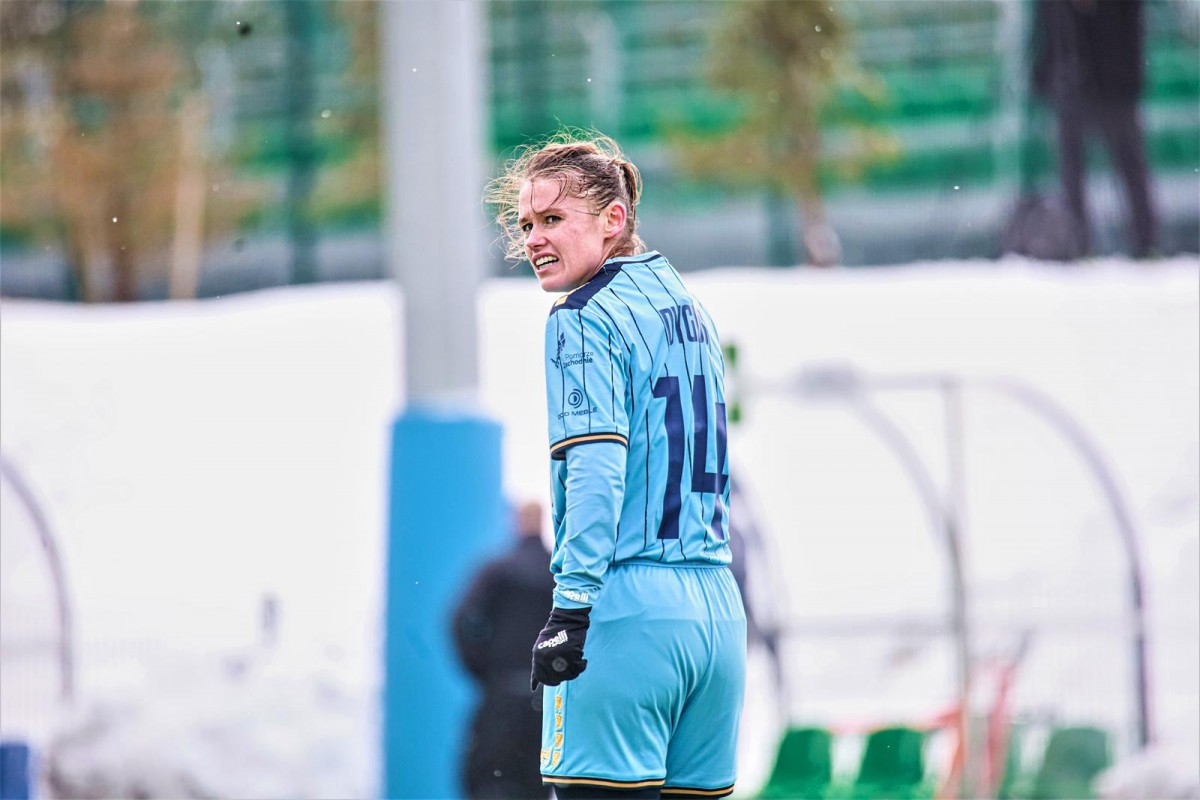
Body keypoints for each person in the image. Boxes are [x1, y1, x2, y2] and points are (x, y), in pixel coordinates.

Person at [485, 132, 747, 800]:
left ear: (613, 218)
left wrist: (570, 610)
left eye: (552, 218)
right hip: (716, 615)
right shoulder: (689, 309)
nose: (535, 239)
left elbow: (598, 470)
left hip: (627, 611)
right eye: (527, 224)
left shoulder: (580, 317)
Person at [1031, 0, 1157, 258]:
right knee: (1071, 171)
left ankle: (1145, 243)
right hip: (1069, 88)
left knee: (1129, 166)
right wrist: (1044, 80)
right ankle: (1077, 242)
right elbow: (1045, 36)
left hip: (1115, 88)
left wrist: (1129, 82)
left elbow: (1132, 32)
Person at [452, 500, 556, 800]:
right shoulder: (557, 574)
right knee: (537, 786)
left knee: (490, 783)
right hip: (545, 703)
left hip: (502, 700)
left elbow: (461, 622)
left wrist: (482, 670)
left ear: (516, 522)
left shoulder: (497, 571)